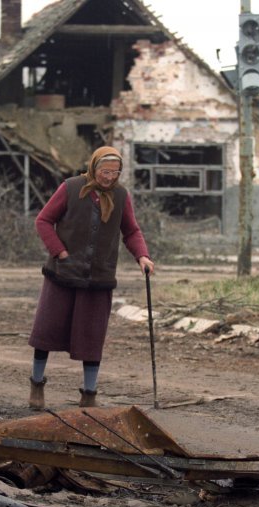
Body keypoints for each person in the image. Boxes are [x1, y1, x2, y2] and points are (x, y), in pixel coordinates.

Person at [27, 146, 155, 409]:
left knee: (92, 335)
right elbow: (43, 220)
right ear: (94, 167)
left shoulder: (120, 196)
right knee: (46, 331)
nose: (109, 177)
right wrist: (59, 251)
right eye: (104, 171)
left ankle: (89, 393)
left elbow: (131, 231)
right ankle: (36, 385)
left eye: (115, 172)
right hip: (62, 272)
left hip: (99, 277)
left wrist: (142, 256)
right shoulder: (72, 187)